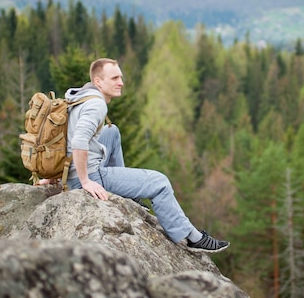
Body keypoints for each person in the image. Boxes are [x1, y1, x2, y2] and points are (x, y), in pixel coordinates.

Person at [64, 57, 229, 253]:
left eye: (121, 77)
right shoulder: (96, 104)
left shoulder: (82, 96)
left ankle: (127, 192)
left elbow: (66, 136)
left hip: (73, 171)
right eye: (115, 78)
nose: (121, 82)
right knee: (159, 182)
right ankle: (193, 238)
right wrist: (85, 181)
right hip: (90, 176)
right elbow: (78, 141)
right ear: (98, 81)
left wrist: (57, 176)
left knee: (111, 131)